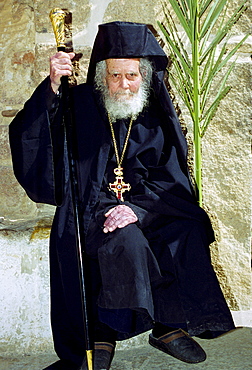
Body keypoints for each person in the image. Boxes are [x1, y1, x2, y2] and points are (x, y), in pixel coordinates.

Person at [9, 21, 235, 370]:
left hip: (147, 203)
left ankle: (167, 325)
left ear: (144, 75)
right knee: (124, 241)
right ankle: (101, 332)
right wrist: (53, 85)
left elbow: (170, 179)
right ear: (102, 74)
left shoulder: (154, 113)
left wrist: (138, 210)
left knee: (187, 229)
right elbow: (32, 136)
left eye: (131, 75)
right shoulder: (79, 104)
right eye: (115, 75)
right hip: (90, 205)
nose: (123, 84)